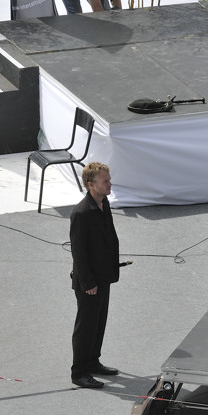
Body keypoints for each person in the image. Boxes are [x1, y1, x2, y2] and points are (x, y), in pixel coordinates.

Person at [69, 162, 121, 389]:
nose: (110, 184)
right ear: (91, 185)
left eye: (109, 180)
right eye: (105, 181)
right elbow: (78, 252)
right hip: (89, 281)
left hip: (103, 277)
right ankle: (79, 371)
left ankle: (92, 361)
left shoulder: (104, 203)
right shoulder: (81, 213)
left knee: (99, 322)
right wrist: (88, 282)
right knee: (86, 326)